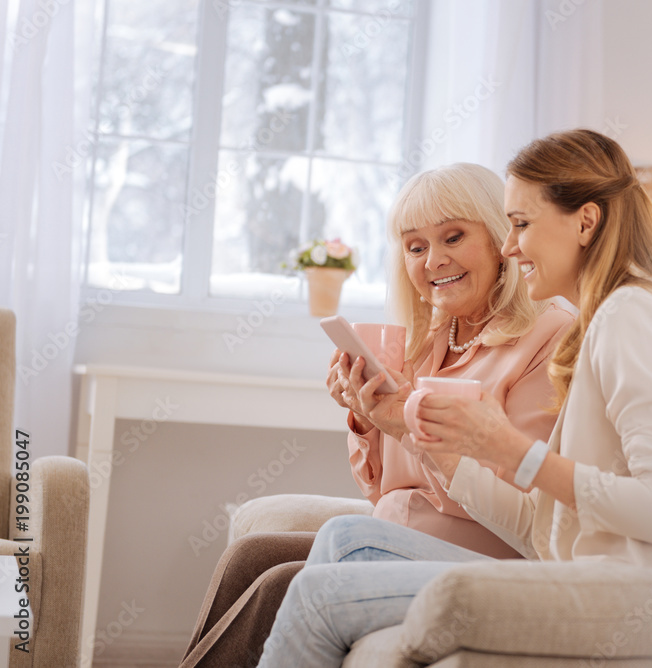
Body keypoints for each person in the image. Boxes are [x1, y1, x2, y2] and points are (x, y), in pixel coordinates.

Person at [255, 129, 652, 668]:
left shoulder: (632, 315)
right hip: (578, 573)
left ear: (585, 222)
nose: (509, 246)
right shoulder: (606, 320)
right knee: (329, 555)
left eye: (521, 224)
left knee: (318, 594)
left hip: (623, 594)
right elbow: (536, 529)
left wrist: (514, 451)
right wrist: (417, 429)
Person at [179, 163, 573, 667]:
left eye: (453, 237)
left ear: (501, 240)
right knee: (251, 556)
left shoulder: (549, 337)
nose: (434, 260)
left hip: (483, 554)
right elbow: (382, 491)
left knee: (286, 581)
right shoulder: (428, 339)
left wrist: (409, 427)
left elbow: (517, 493)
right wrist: (365, 416)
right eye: (415, 247)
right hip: (398, 538)